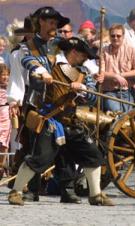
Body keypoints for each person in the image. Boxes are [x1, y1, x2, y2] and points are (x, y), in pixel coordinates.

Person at [8, 37, 114, 207]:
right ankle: (16, 192)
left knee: (93, 155)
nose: (85, 59)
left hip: (71, 123)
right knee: (39, 159)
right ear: (74, 53)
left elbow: (94, 98)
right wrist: (43, 72)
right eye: (83, 56)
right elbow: (26, 59)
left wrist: (84, 90)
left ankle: (96, 195)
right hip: (51, 122)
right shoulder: (50, 62)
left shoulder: (83, 73)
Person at [7, 6, 79, 204]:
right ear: (41, 23)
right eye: (51, 22)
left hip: (61, 102)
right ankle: (32, 189)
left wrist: (85, 75)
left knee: (65, 146)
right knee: (36, 145)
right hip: (36, 101)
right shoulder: (24, 48)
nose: (54, 26)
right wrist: (15, 100)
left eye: (56, 23)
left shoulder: (62, 46)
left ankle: (68, 189)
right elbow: (17, 77)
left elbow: (76, 66)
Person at [95, 23, 135, 112]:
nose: (115, 38)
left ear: (123, 36)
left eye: (118, 36)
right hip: (109, 92)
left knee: (127, 118)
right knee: (116, 113)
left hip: (127, 92)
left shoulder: (132, 50)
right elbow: (101, 71)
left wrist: (121, 75)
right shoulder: (103, 50)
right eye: (113, 36)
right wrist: (115, 76)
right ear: (109, 36)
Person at [0, 63, 10, 179]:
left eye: (7, 75)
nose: (5, 77)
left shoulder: (10, 86)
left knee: (4, 141)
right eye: (3, 75)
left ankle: (2, 166)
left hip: (6, 113)